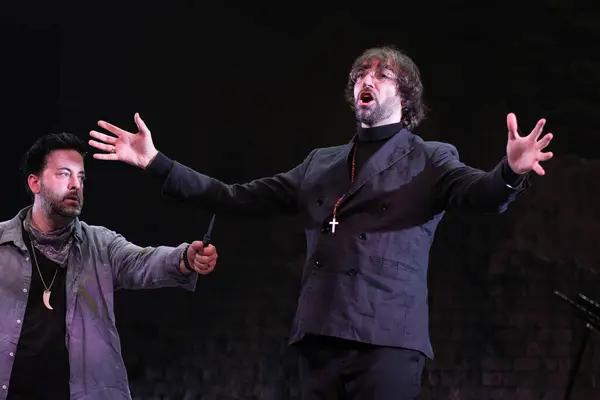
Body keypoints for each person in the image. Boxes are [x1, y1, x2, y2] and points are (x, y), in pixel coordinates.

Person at [88, 46, 554, 399]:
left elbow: (481, 196)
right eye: (360, 75)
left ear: (406, 95)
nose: (366, 80)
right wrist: (156, 162)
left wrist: (509, 171)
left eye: (381, 75)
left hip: (387, 340)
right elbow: (234, 198)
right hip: (319, 335)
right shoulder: (322, 163)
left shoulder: (430, 158)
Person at [0, 133, 218, 400]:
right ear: (34, 182)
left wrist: (184, 258)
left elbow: (143, 261)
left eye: (81, 177)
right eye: (64, 174)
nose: (75, 185)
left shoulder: (100, 244)